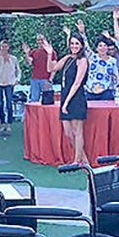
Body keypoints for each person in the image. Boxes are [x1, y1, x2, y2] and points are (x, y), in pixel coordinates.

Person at [44, 34, 88, 165]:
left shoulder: (83, 60)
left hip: (76, 98)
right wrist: (49, 54)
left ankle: (76, 160)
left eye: (77, 44)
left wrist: (67, 102)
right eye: (72, 43)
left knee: (77, 131)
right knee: (68, 133)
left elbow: (77, 82)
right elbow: (50, 68)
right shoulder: (67, 58)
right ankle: (84, 159)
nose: (74, 46)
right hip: (65, 97)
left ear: (81, 45)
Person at [0, 40, 20, 134]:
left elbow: (18, 70)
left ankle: (9, 123)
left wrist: (17, 79)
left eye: (5, 46)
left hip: (9, 83)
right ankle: (2, 123)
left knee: (9, 103)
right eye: (2, 46)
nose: (4, 48)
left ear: (8, 47)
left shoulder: (13, 58)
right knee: (0, 103)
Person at [23, 33, 56, 103]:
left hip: (46, 79)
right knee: (34, 100)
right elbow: (28, 63)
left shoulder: (51, 52)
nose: (40, 42)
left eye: (42, 40)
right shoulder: (34, 52)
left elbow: (54, 68)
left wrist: (50, 80)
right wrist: (26, 53)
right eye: (38, 40)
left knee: (48, 100)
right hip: (35, 79)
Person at [85, 36, 119, 102]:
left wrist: (116, 93)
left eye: (105, 46)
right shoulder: (92, 57)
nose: (102, 48)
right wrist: (82, 33)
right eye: (100, 46)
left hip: (106, 93)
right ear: (97, 48)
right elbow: (86, 47)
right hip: (90, 92)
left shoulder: (112, 61)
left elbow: (115, 78)